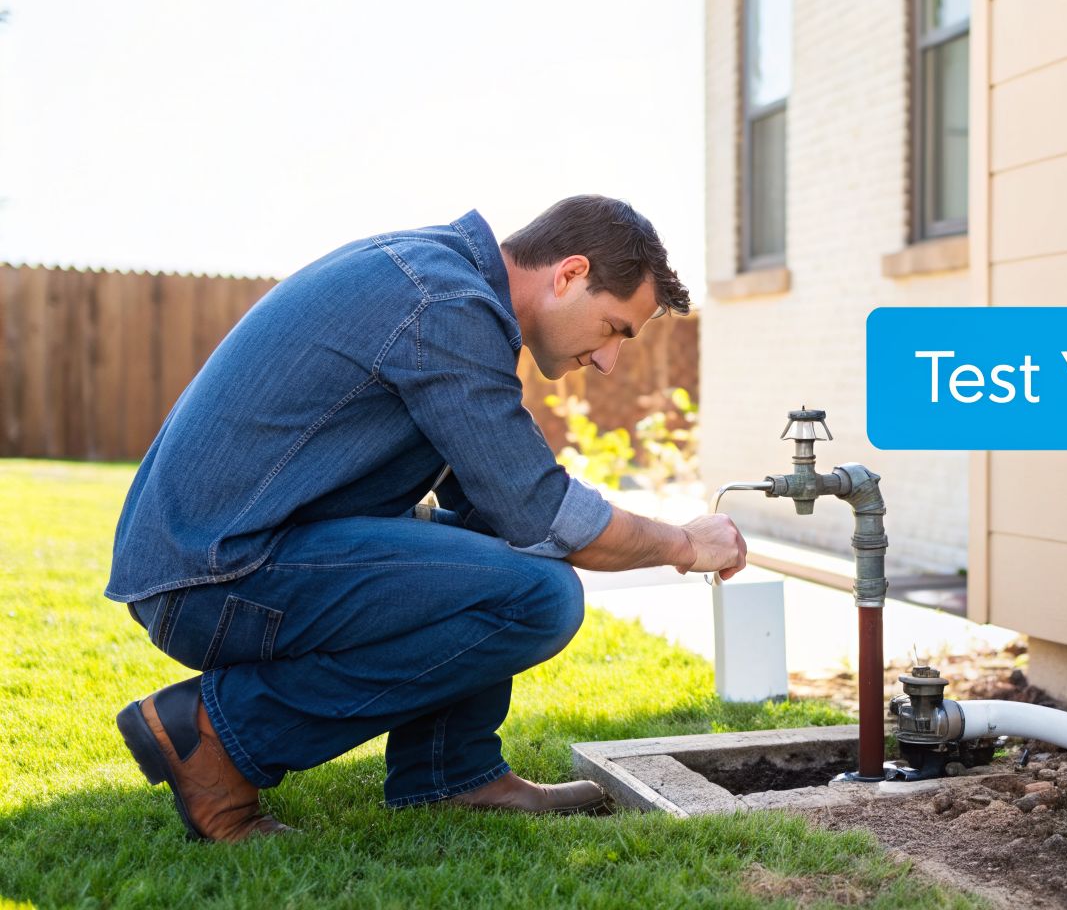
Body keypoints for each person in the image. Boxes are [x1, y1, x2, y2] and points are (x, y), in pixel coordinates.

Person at [107, 197, 746, 841]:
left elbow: (501, 506)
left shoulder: (441, 283)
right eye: (615, 328)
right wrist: (685, 543)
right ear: (569, 274)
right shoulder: (443, 307)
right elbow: (544, 511)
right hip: (216, 578)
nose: (608, 360)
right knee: (539, 597)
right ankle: (217, 735)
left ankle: (450, 773)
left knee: (510, 551)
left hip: (222, 558)